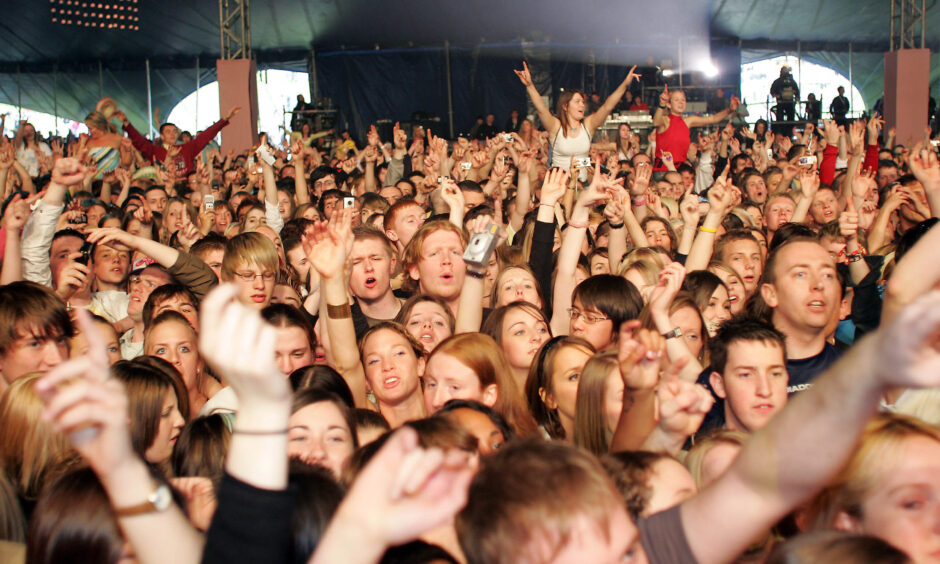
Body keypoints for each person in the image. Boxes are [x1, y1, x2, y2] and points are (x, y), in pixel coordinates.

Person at [514, 61, 640, 178]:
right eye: (577, 102)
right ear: (565, 106)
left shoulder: (588, 125)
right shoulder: (556, 126)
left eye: (583, 102)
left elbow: (607, 106)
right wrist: (530, 85)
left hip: (582, 184)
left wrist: (625, 83)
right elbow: (541, 108)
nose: (582, 105)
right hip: (560, 186)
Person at [707, 317, 789, 432]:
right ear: (719, 385)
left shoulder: (815, 446)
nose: (765, 390)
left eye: (775, 374)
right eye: (746, 375)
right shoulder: (697, 447)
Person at [115, 105, 241, 176]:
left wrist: (224, 119)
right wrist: (126, 123)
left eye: (175, 131)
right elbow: (139, 141)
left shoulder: (187, 148)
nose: (173, 134)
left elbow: (205, 136)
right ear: (162, 136)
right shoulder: (155, 150)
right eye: (168, 132)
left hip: (189, 188)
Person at [654, 84, 741, 170]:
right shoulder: (665, 120)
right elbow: (656, 122)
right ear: (669, 104)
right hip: (663, 170)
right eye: (676, 100)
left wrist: (730, 110)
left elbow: (713, 119)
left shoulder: (688, 121)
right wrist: (662, 104)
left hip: (681, 170)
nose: (680, 102)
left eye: (683, 100)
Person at [770, 66, 800, 133]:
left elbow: (797, 92)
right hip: (782, 103)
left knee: (789, 118)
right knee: (782, 118)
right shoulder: (789, 82)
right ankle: (782, 131)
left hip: (788, 103)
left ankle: (788, 131)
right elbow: (772, 92)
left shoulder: (780, 81)